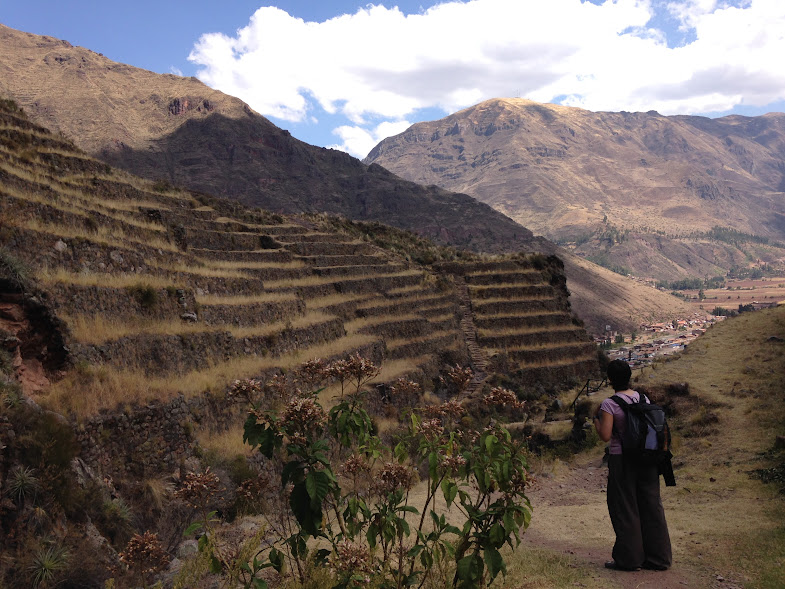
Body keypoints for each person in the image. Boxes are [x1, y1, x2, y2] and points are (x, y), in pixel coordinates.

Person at [593, 359, 672, 571]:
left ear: (610, 379)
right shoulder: (642, 397)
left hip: (623, 460)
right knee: (651, 505)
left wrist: (597, 422)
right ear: (629, 376)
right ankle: (659, 558)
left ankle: (629, 559)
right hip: (648, 458)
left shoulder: (610, 404)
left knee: (625, 506)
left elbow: (606, 436)